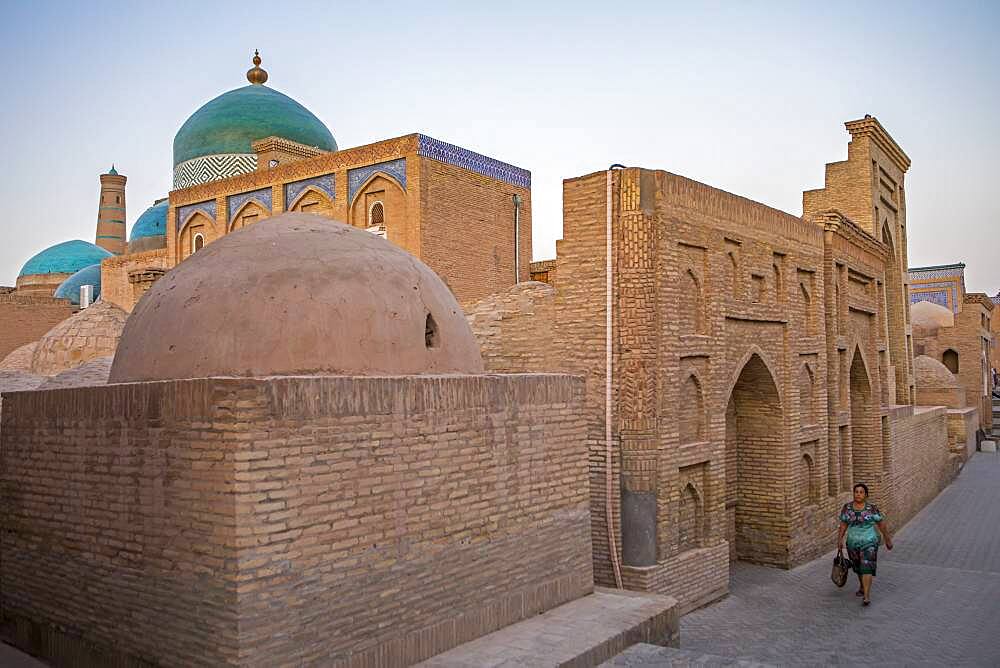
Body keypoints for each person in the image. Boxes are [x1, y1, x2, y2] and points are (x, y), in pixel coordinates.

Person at [837, 483, 893, 606]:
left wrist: (887, 539)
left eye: (861, 492)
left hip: (869, 542)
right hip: (852, 542)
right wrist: (839, 539)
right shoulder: (847, 508)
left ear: (866, 495)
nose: (858, 494)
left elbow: (881, 524)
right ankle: (862, 586)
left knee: (866, 566)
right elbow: (843, 524)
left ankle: (866, 596)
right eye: (856, 492)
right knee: (858, 567)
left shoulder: (871, 508)